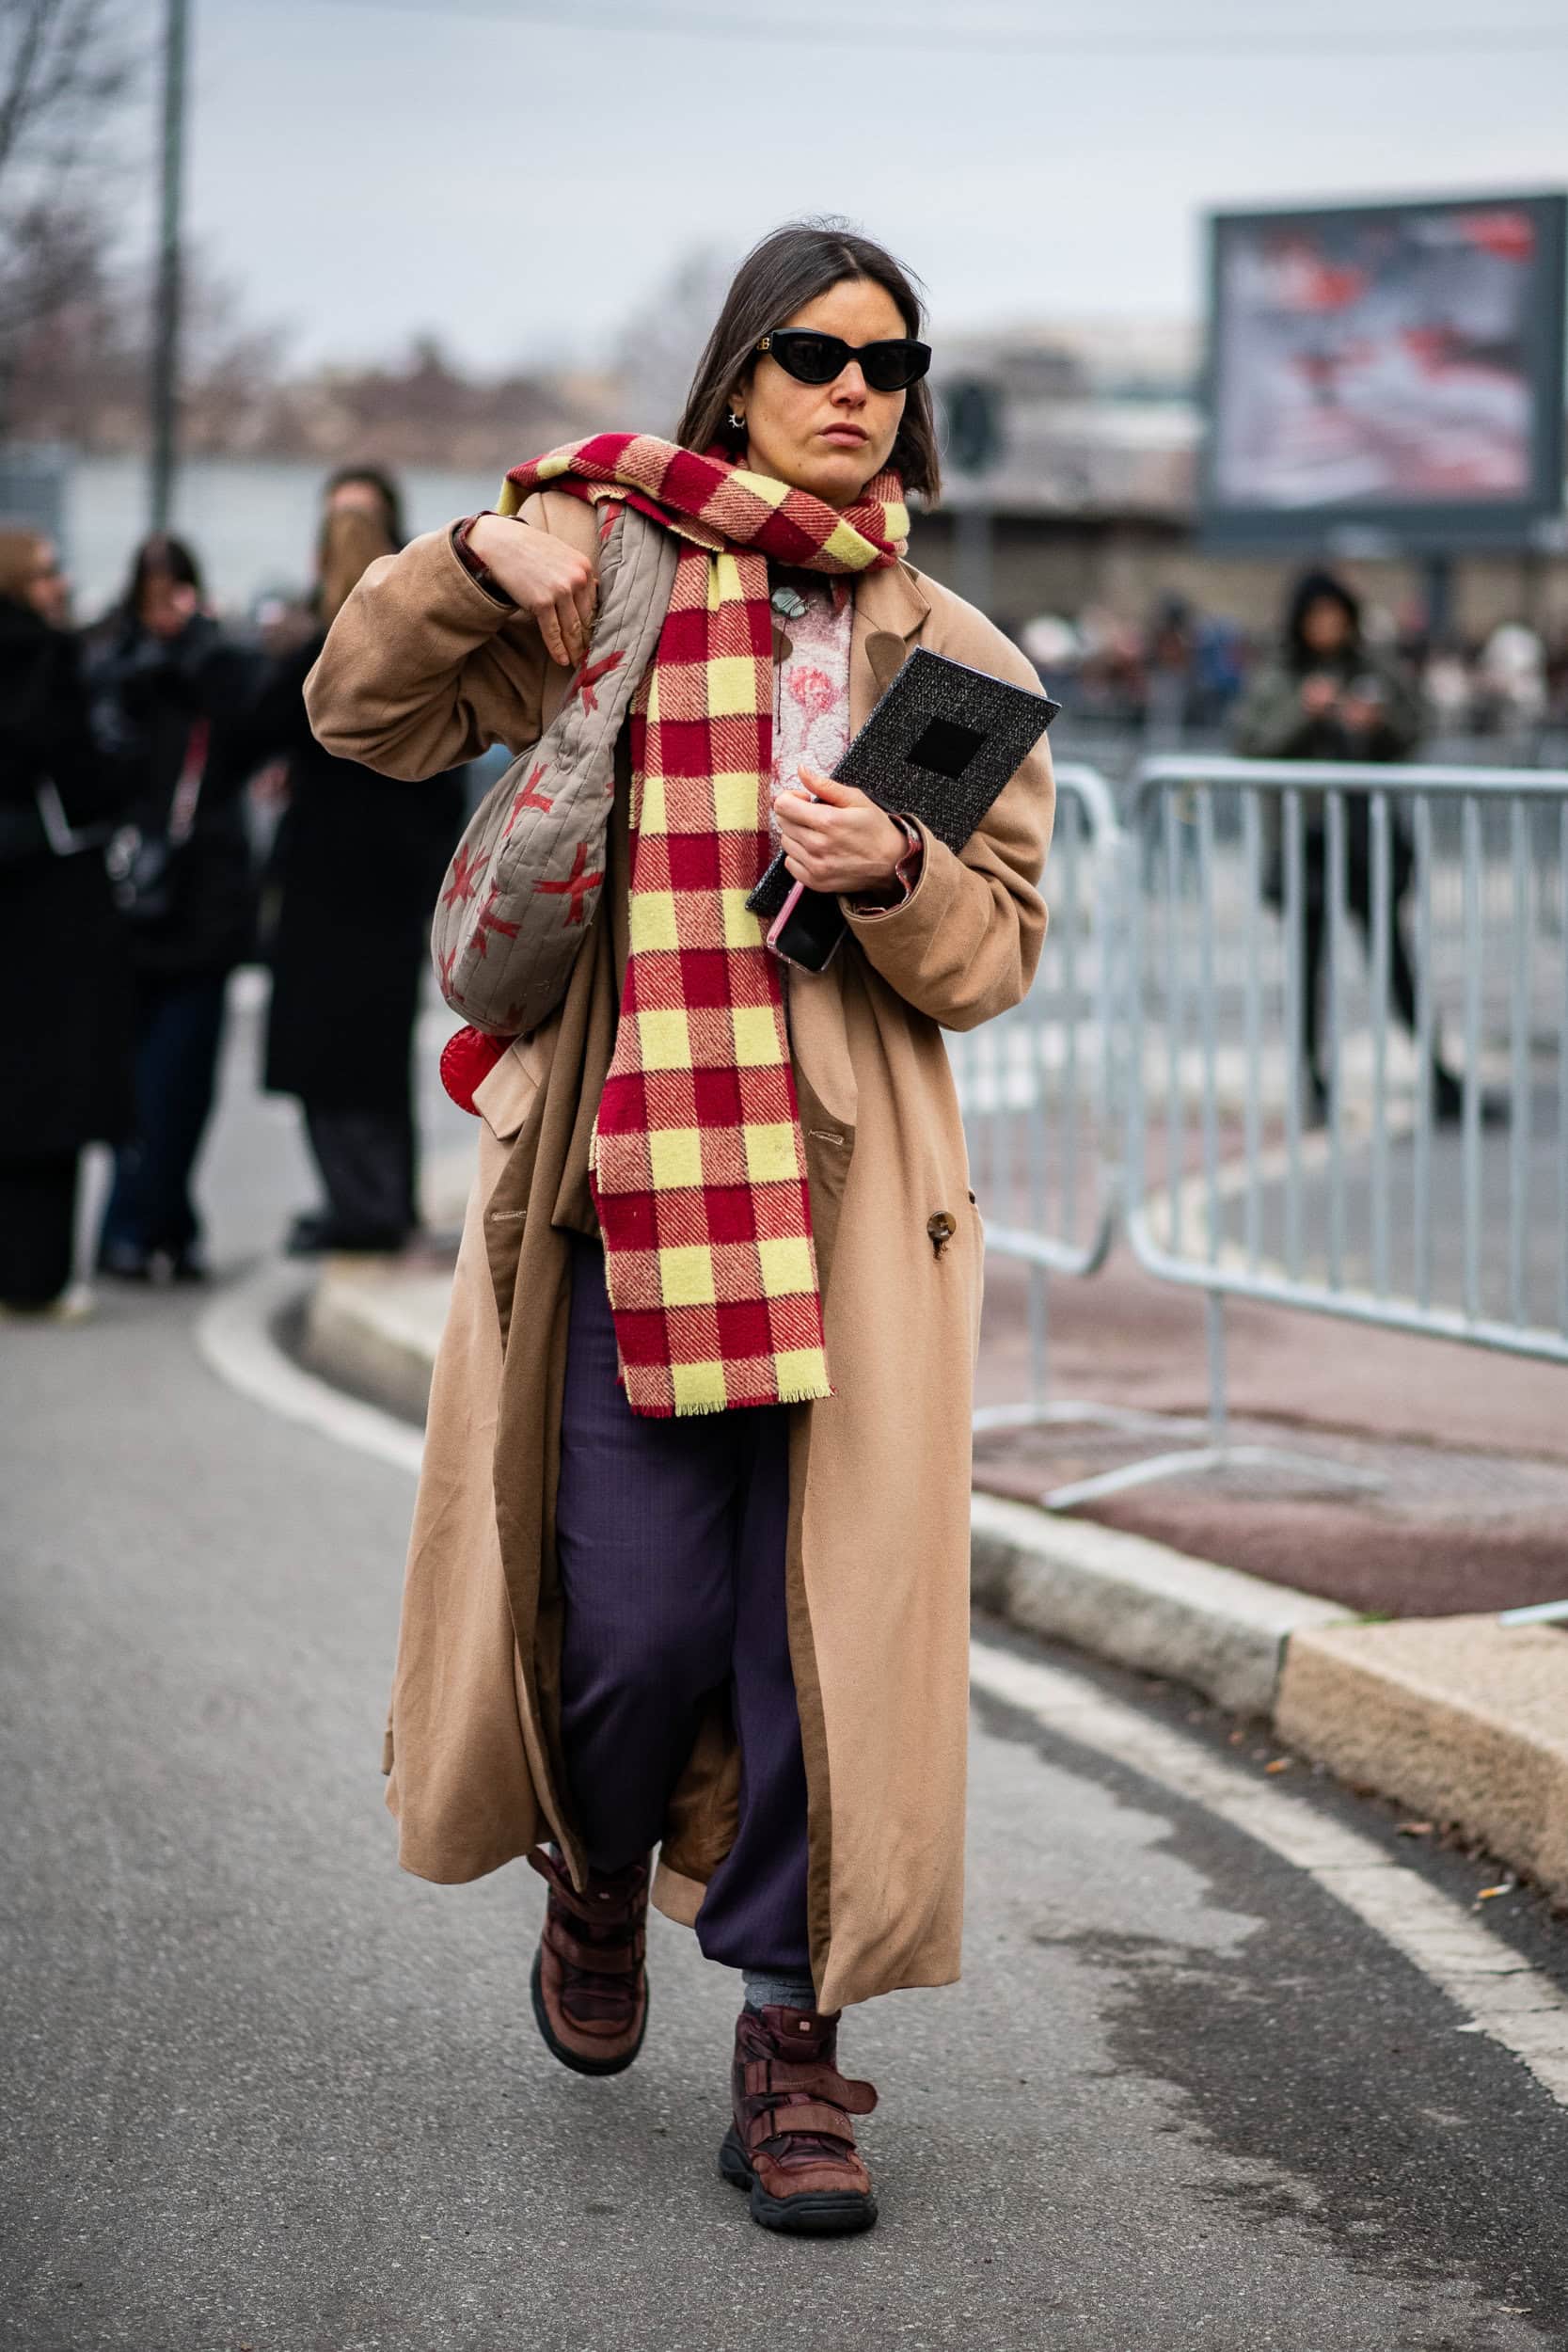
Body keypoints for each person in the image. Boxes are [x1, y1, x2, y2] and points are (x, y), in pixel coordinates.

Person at [305, 218, 1054, 2239]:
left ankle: (790, 2051)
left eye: (887, 367)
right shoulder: (605, 559)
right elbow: (364, 718)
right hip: (619, 1200)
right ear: (738, 370)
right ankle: (591, 1867)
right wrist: (470, 565)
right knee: (624, 1637)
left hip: (843, 1231)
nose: (848, 392)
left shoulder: (947, 658)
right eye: (812, 353)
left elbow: (987, 958)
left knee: (812, 1652)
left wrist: (897, 871)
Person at [256, 497, 465, 1253]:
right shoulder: (421, 654)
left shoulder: (315, 654)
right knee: (377, 1054)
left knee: (324, 1056)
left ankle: (358, 1207)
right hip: (390, 883)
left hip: (322, 879)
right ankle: (384, 1202)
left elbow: (248, 731)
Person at [86, 534, 261, 1281]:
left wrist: (200, 654)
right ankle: (135, 1225)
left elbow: (253, 728)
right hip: (125, 903)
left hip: (202, 904)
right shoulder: (108, 663)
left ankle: (165, 1222)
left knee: (184, 1081)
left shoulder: (215, 662)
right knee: (138, 1080)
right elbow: (95, 757)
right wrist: (143, 668)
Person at [1233, 565, 1466, 1123]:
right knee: (1310, 969)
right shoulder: (1282, 675)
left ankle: (1439, 1076)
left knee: (1395, 964)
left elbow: (1415, 726)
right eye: (1318, 616)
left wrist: (1374, 722)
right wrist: (1304, 713)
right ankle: (1314, 1084)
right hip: (1305, 842)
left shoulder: (1372, 669)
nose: (1327, 626)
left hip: (1369, 840)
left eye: (1336, 615)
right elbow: (1252, 741)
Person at [0, 528, 133, 1313]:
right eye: (47, 572)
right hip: (50, 896)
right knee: (53, 1089)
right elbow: (79, 770)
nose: (59, 584)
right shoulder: (46, 659)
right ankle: (37, 1275)